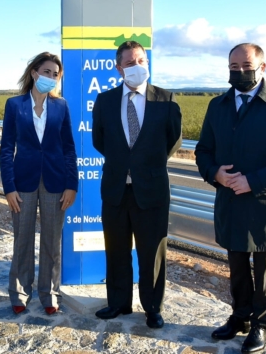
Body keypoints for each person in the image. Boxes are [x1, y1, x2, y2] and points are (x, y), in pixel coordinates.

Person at [92, 41, 182, 328]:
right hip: (116, 189)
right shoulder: (105, 101)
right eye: (130, 63)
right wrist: (126, 164)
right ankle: (118, 303)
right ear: (119, 68)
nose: (137, 67)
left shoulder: (166, 101)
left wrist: (144, 165)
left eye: (141, 60)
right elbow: (100, 141)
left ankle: (153, 307)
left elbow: (174, 140)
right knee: (116, 249)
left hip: (152, 190)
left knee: (152, 252)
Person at [195, 43, 266, 353]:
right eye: (233, 67)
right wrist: (215, 173)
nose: (240, 72)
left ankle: (262, 324)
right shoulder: (218, 105)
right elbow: (203, 150)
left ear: (263, 67)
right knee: (237, 264)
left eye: (246, 66)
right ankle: (240, 317)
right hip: (229, 201)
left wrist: (252, 181)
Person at [0, 52, 78, 315]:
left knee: (52, 241)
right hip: (22, 183)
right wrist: (8, 187)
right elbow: (7, 148)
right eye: (47, 72)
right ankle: (20, 292)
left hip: (56, 182)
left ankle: (49, 293)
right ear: (34, 73)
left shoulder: (61, 106)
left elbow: (69, 148)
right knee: (22, 239)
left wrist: (72, 185)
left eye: (55, 75)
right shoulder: (14, 105)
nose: (51, 78)